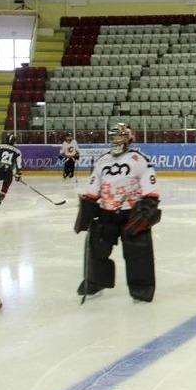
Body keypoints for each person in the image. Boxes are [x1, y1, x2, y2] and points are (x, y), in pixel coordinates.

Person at [74, 123, 161, 302]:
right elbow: (93, 188)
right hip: (106, 212)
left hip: (132, 213)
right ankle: (95, 281)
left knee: (138, 253)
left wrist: (146, 210)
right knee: (96, 248)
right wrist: (88, 208)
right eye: (113, 136)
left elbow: (151, 190)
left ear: (129, 138)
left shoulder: (139, 159)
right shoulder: (102, 160)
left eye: (120, 136)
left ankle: (141, 288)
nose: (116, 140)